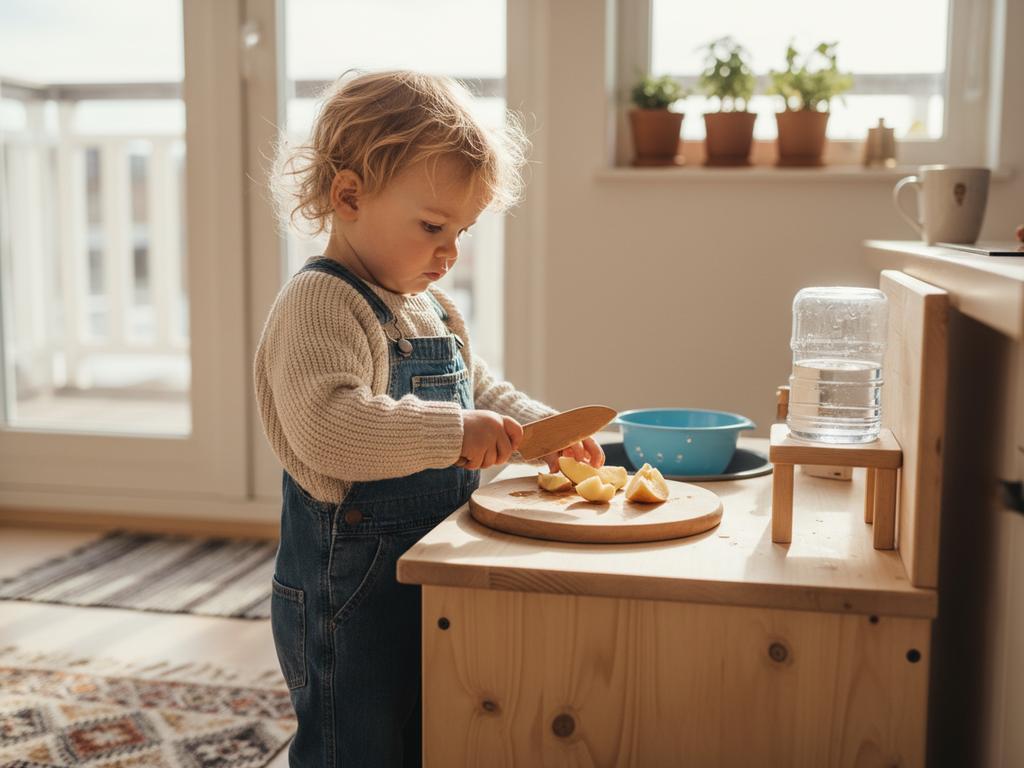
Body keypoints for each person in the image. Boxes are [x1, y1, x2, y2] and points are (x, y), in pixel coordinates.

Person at [253, 69, 605, 767]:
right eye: (433, 227)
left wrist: (542, 431)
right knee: (354, 734)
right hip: (347, 585)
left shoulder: (428, 306)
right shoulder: (322, 303)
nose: (450, 253)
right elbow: (331, 427)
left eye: (463, 231)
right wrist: (452, 435)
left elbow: (475, 390)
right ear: (348, 196)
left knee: (430, 722)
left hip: (432, 565)